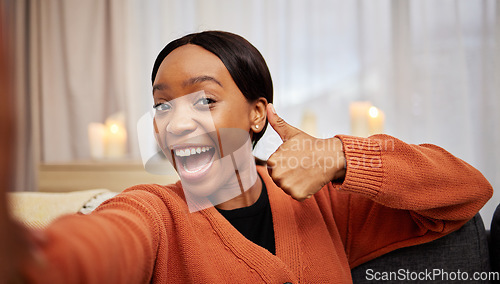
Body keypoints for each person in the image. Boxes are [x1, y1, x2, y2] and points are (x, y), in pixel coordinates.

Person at [8, 31, 492, 283]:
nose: (176, 123)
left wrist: (342, 156)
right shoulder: (155, 212)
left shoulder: (326, 206)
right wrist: (35, 262)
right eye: (161, 105)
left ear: (258, 113)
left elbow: (468, 191)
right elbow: (105, 244)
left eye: (205, 100)